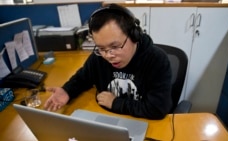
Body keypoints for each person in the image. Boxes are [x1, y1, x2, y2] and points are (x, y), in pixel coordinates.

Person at [44, 3, 172, 119]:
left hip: (142, 122)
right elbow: (82, 78)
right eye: (101, 48)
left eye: (115, 47)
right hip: (106, 118)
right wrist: (67, 91)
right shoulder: (99, 57)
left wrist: (115, 103)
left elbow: (157, 109)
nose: (108, 55)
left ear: (134, 35)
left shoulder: (157, 60)